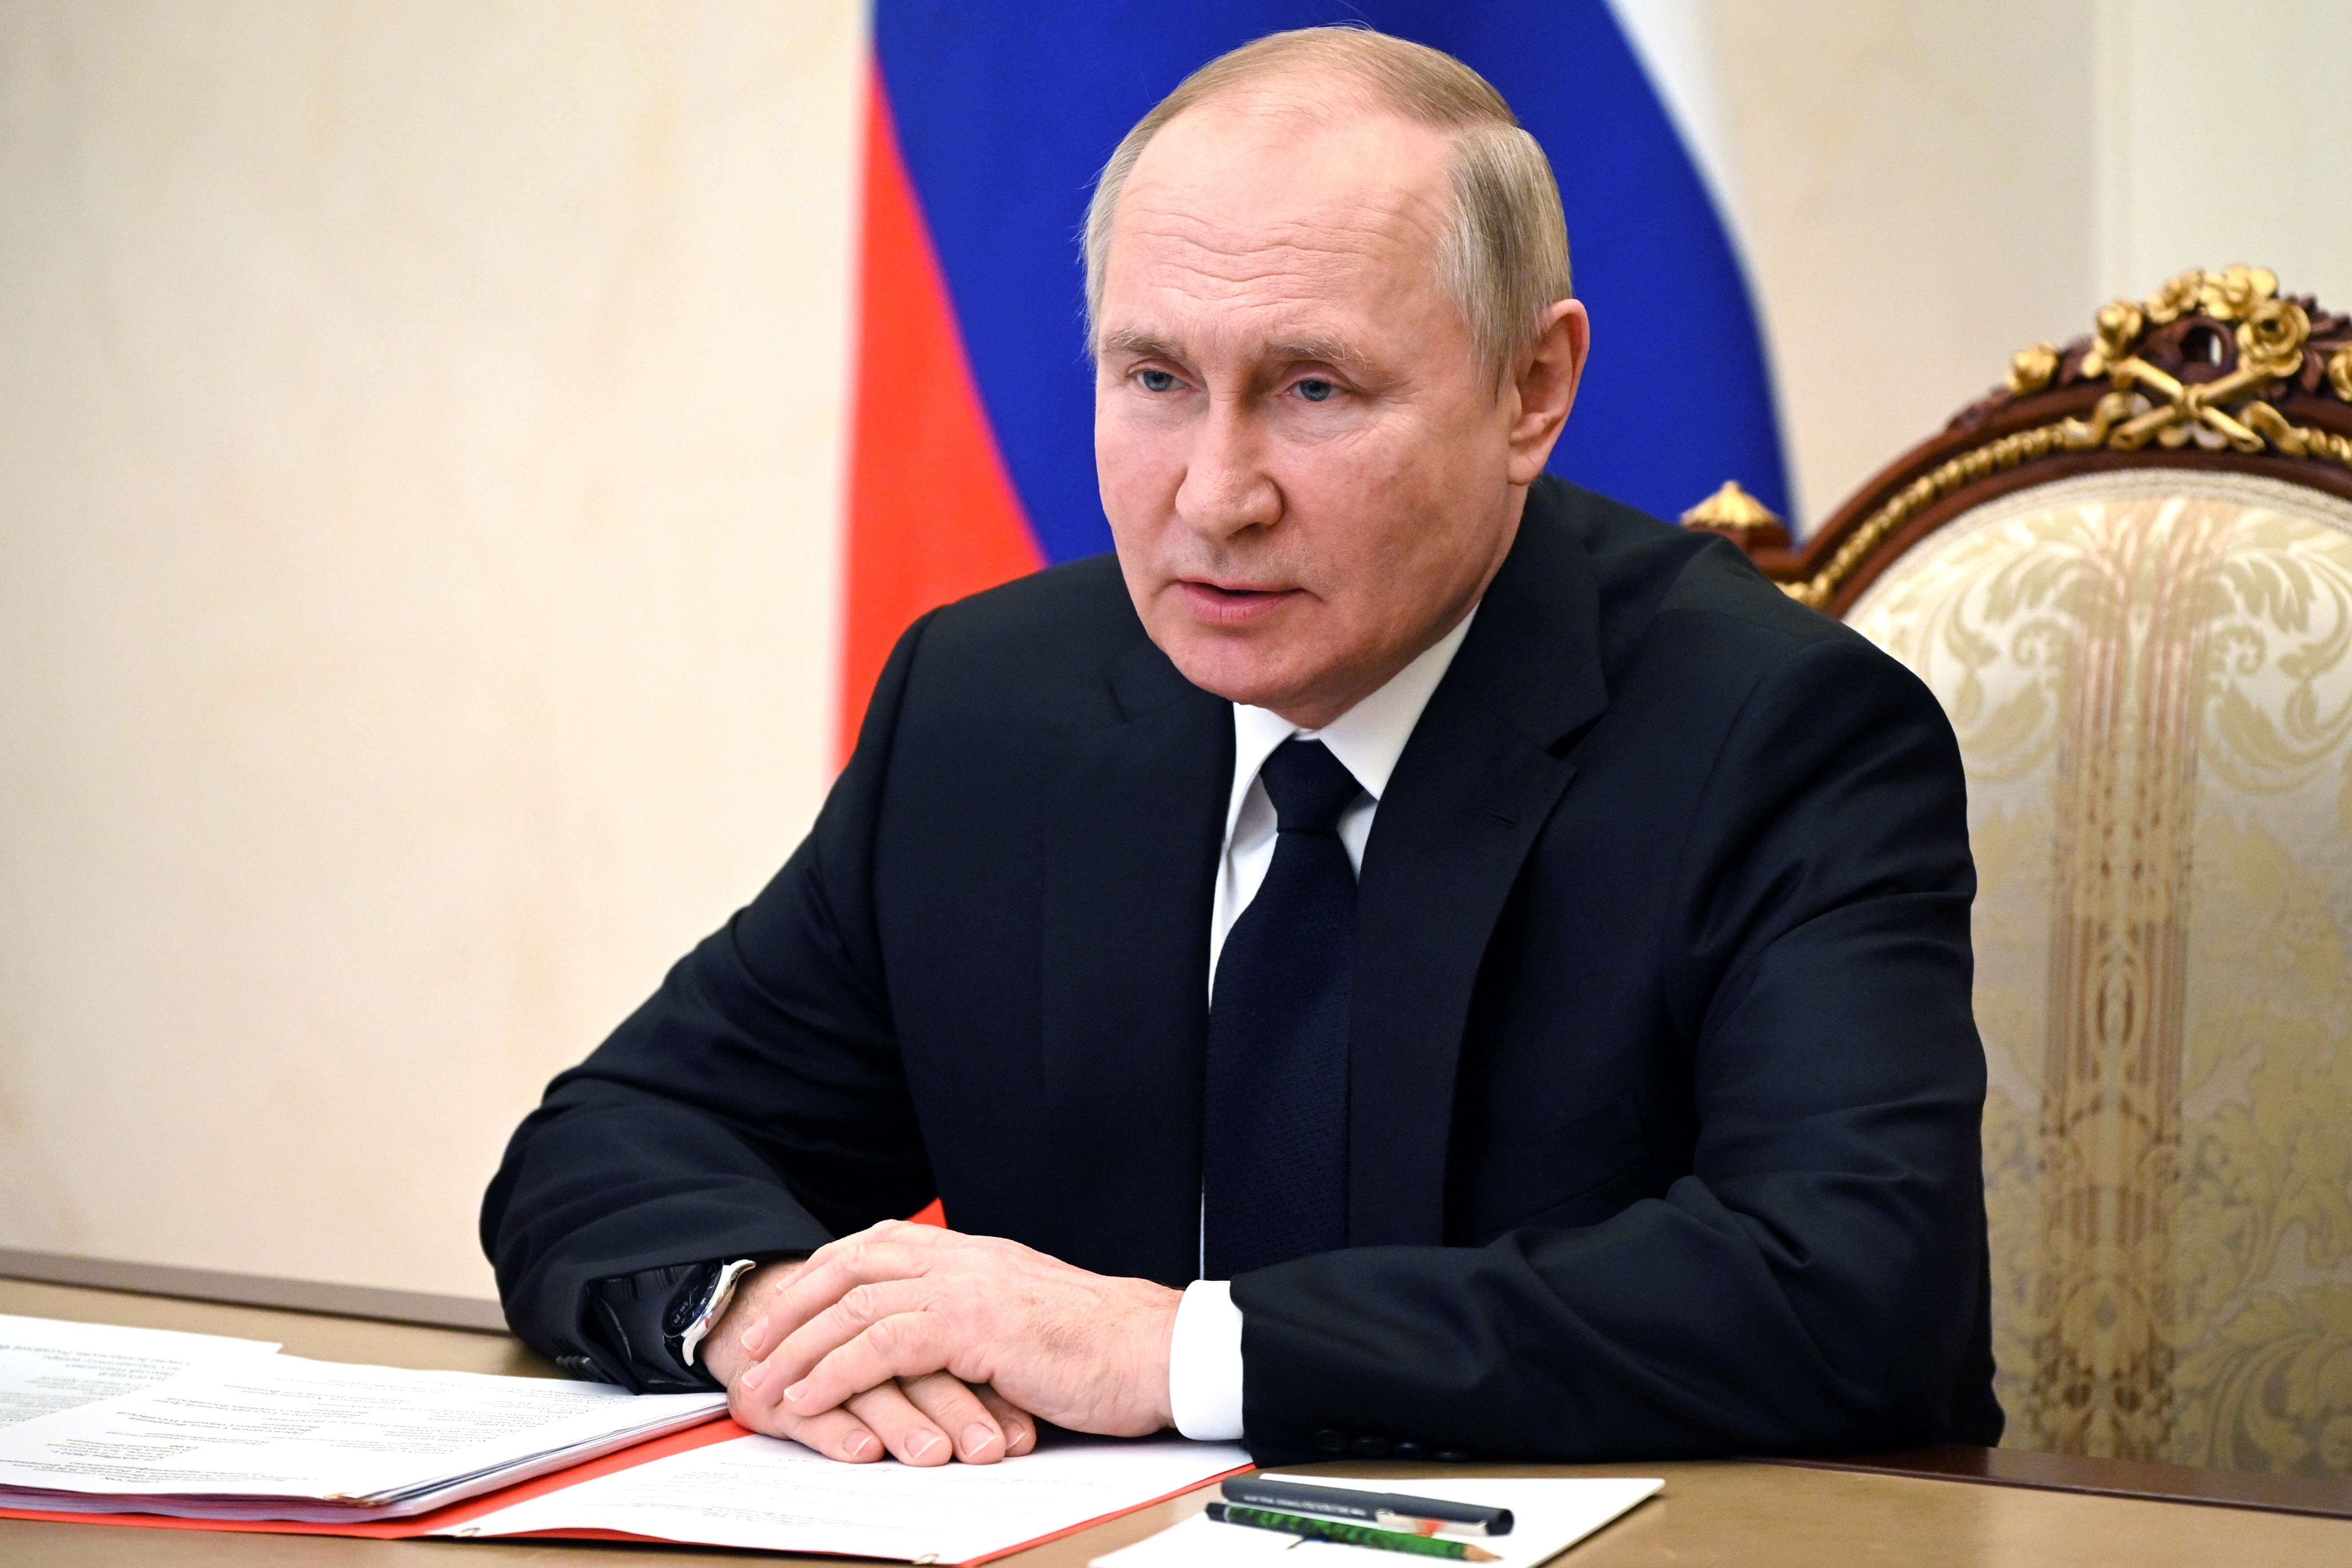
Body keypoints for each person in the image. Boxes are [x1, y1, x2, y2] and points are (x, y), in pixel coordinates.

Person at [482, 26, 2000, 1469]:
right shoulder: (990, 708)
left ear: (1532, 389)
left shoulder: (1778, 738)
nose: (1214, 497)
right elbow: (618, 1141)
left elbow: (1851, 1291)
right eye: (1154, 380)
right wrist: (764, 1320)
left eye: (1312, 390)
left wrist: (1175, 1354)